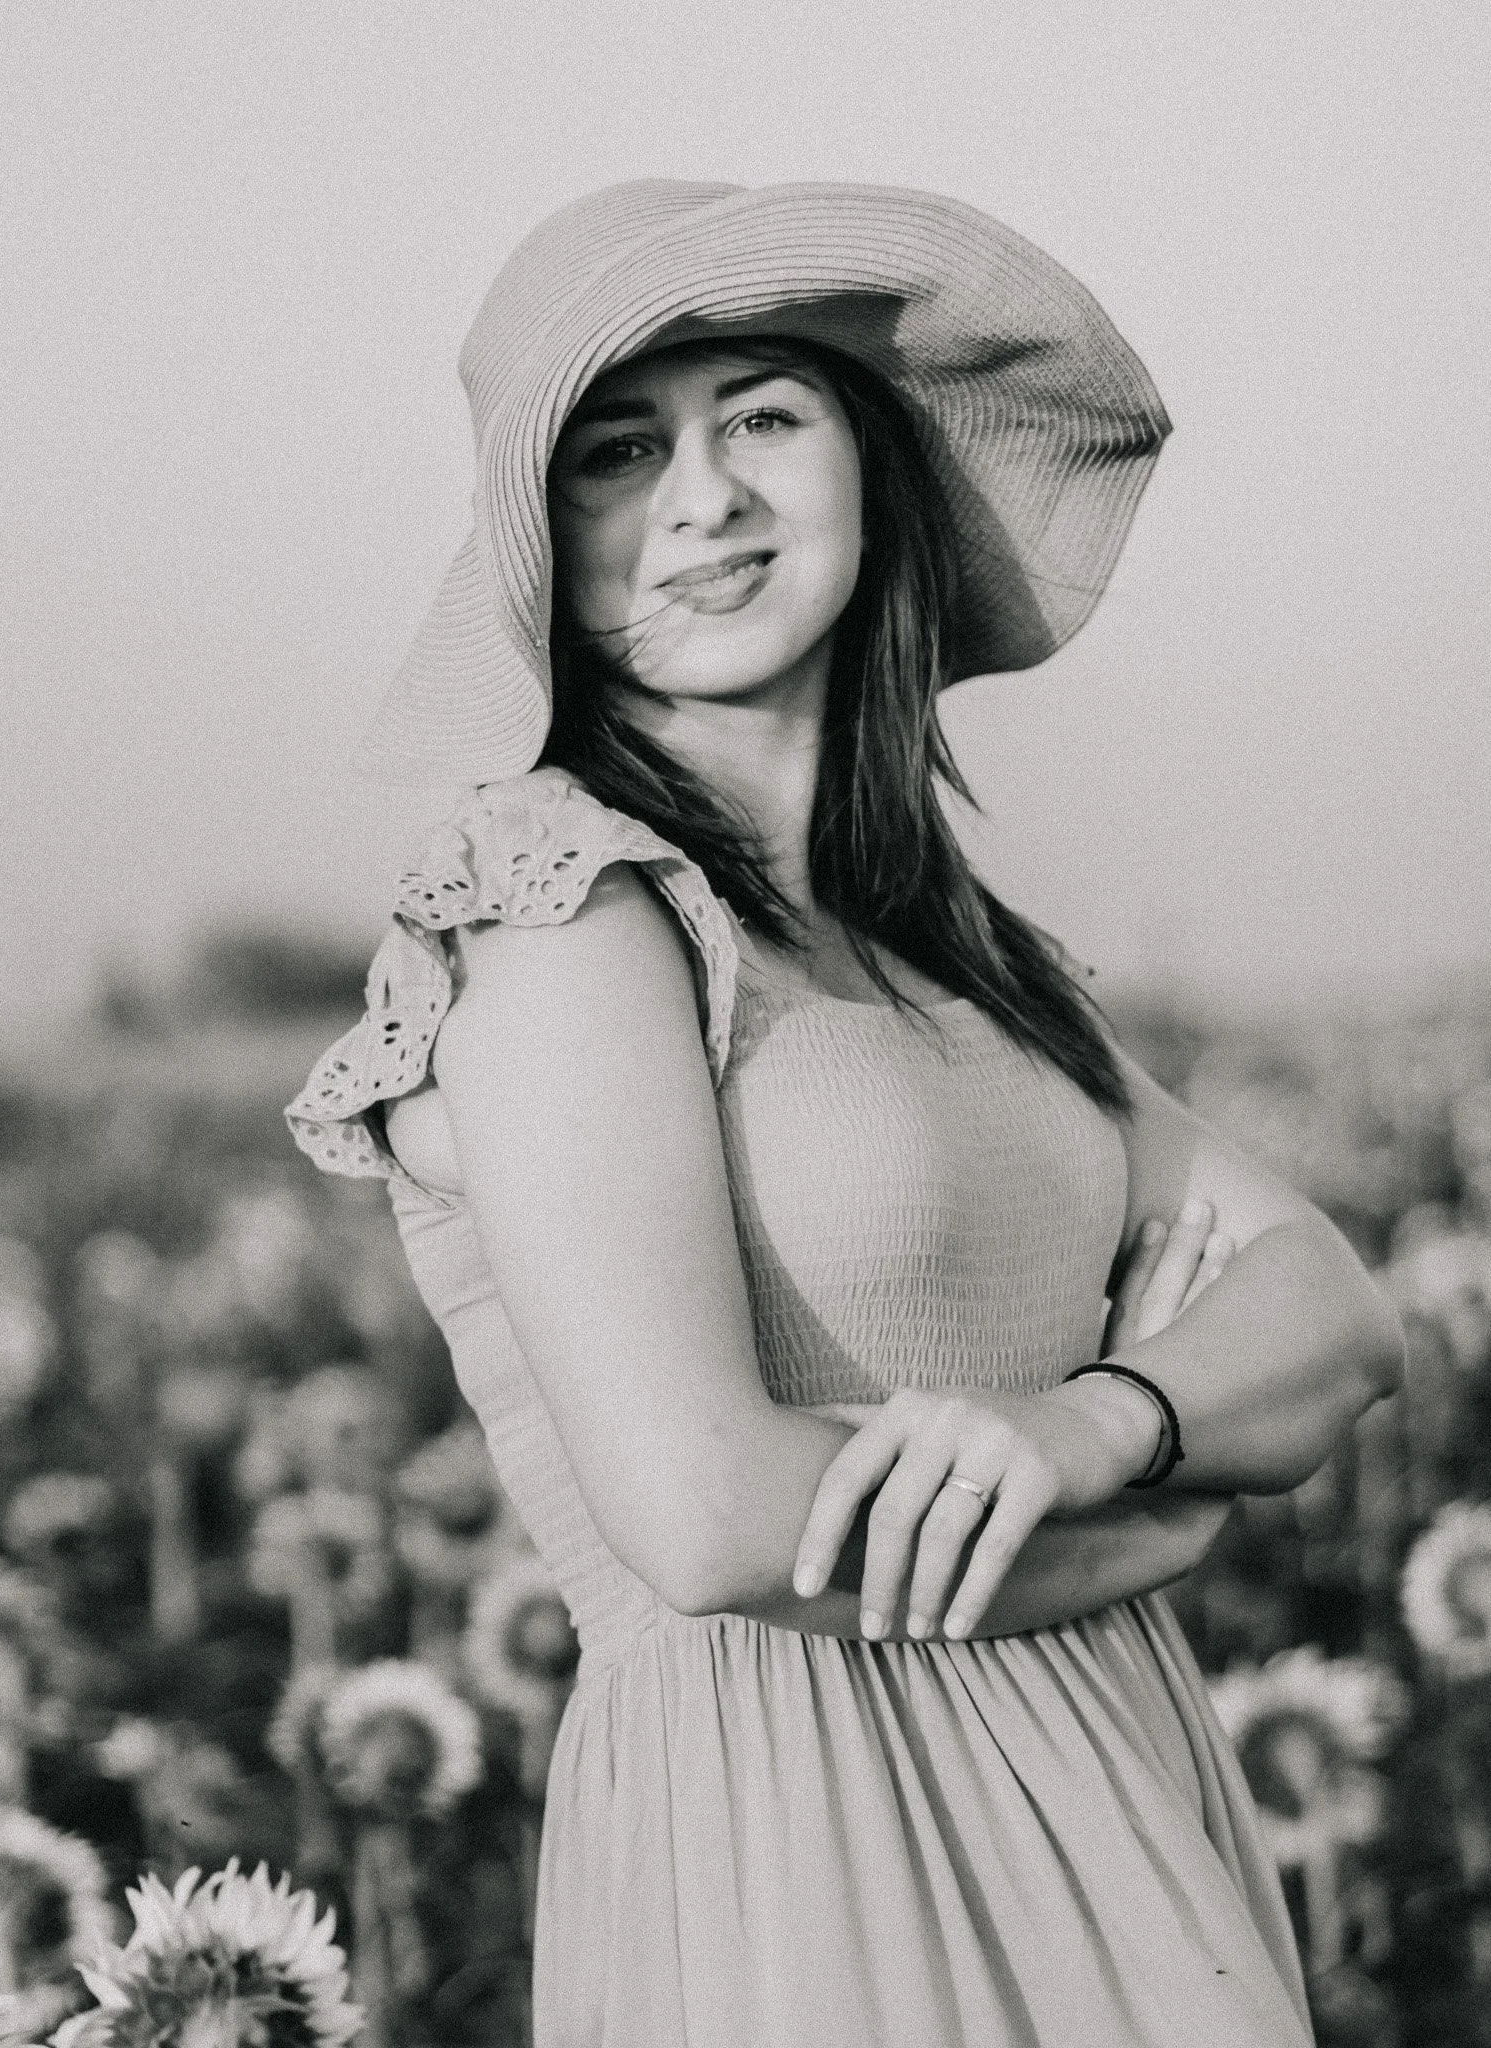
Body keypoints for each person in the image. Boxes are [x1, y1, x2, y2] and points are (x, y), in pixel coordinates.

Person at [288, 180, 1404, 2046]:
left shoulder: (950, 951)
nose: (701, 500)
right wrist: (1160, 1510)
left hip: (1119, 1783)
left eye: (763, 419)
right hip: (808, 1822)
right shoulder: (556, 904)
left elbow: (1334, 1315)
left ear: (867, 467)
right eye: (618, 454)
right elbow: (713, 1514)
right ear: (543, 551)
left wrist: (1093, 1420)